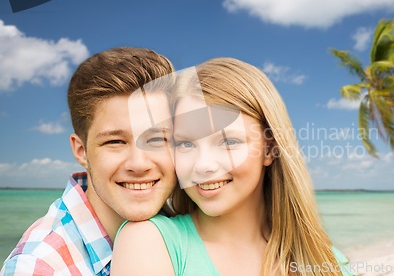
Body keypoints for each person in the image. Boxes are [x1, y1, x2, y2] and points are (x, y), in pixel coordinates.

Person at [111, 58, 352, 276]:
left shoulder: (330, 263)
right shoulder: (150, 242)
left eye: (228, 142)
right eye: (185, 143)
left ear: (269, 149)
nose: (203, 165)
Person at [0, 47, 177, 275]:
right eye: (115, 142)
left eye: (156, 139)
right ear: (81, 151)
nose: (139, 164)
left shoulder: (186, 227)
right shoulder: (40, 266)